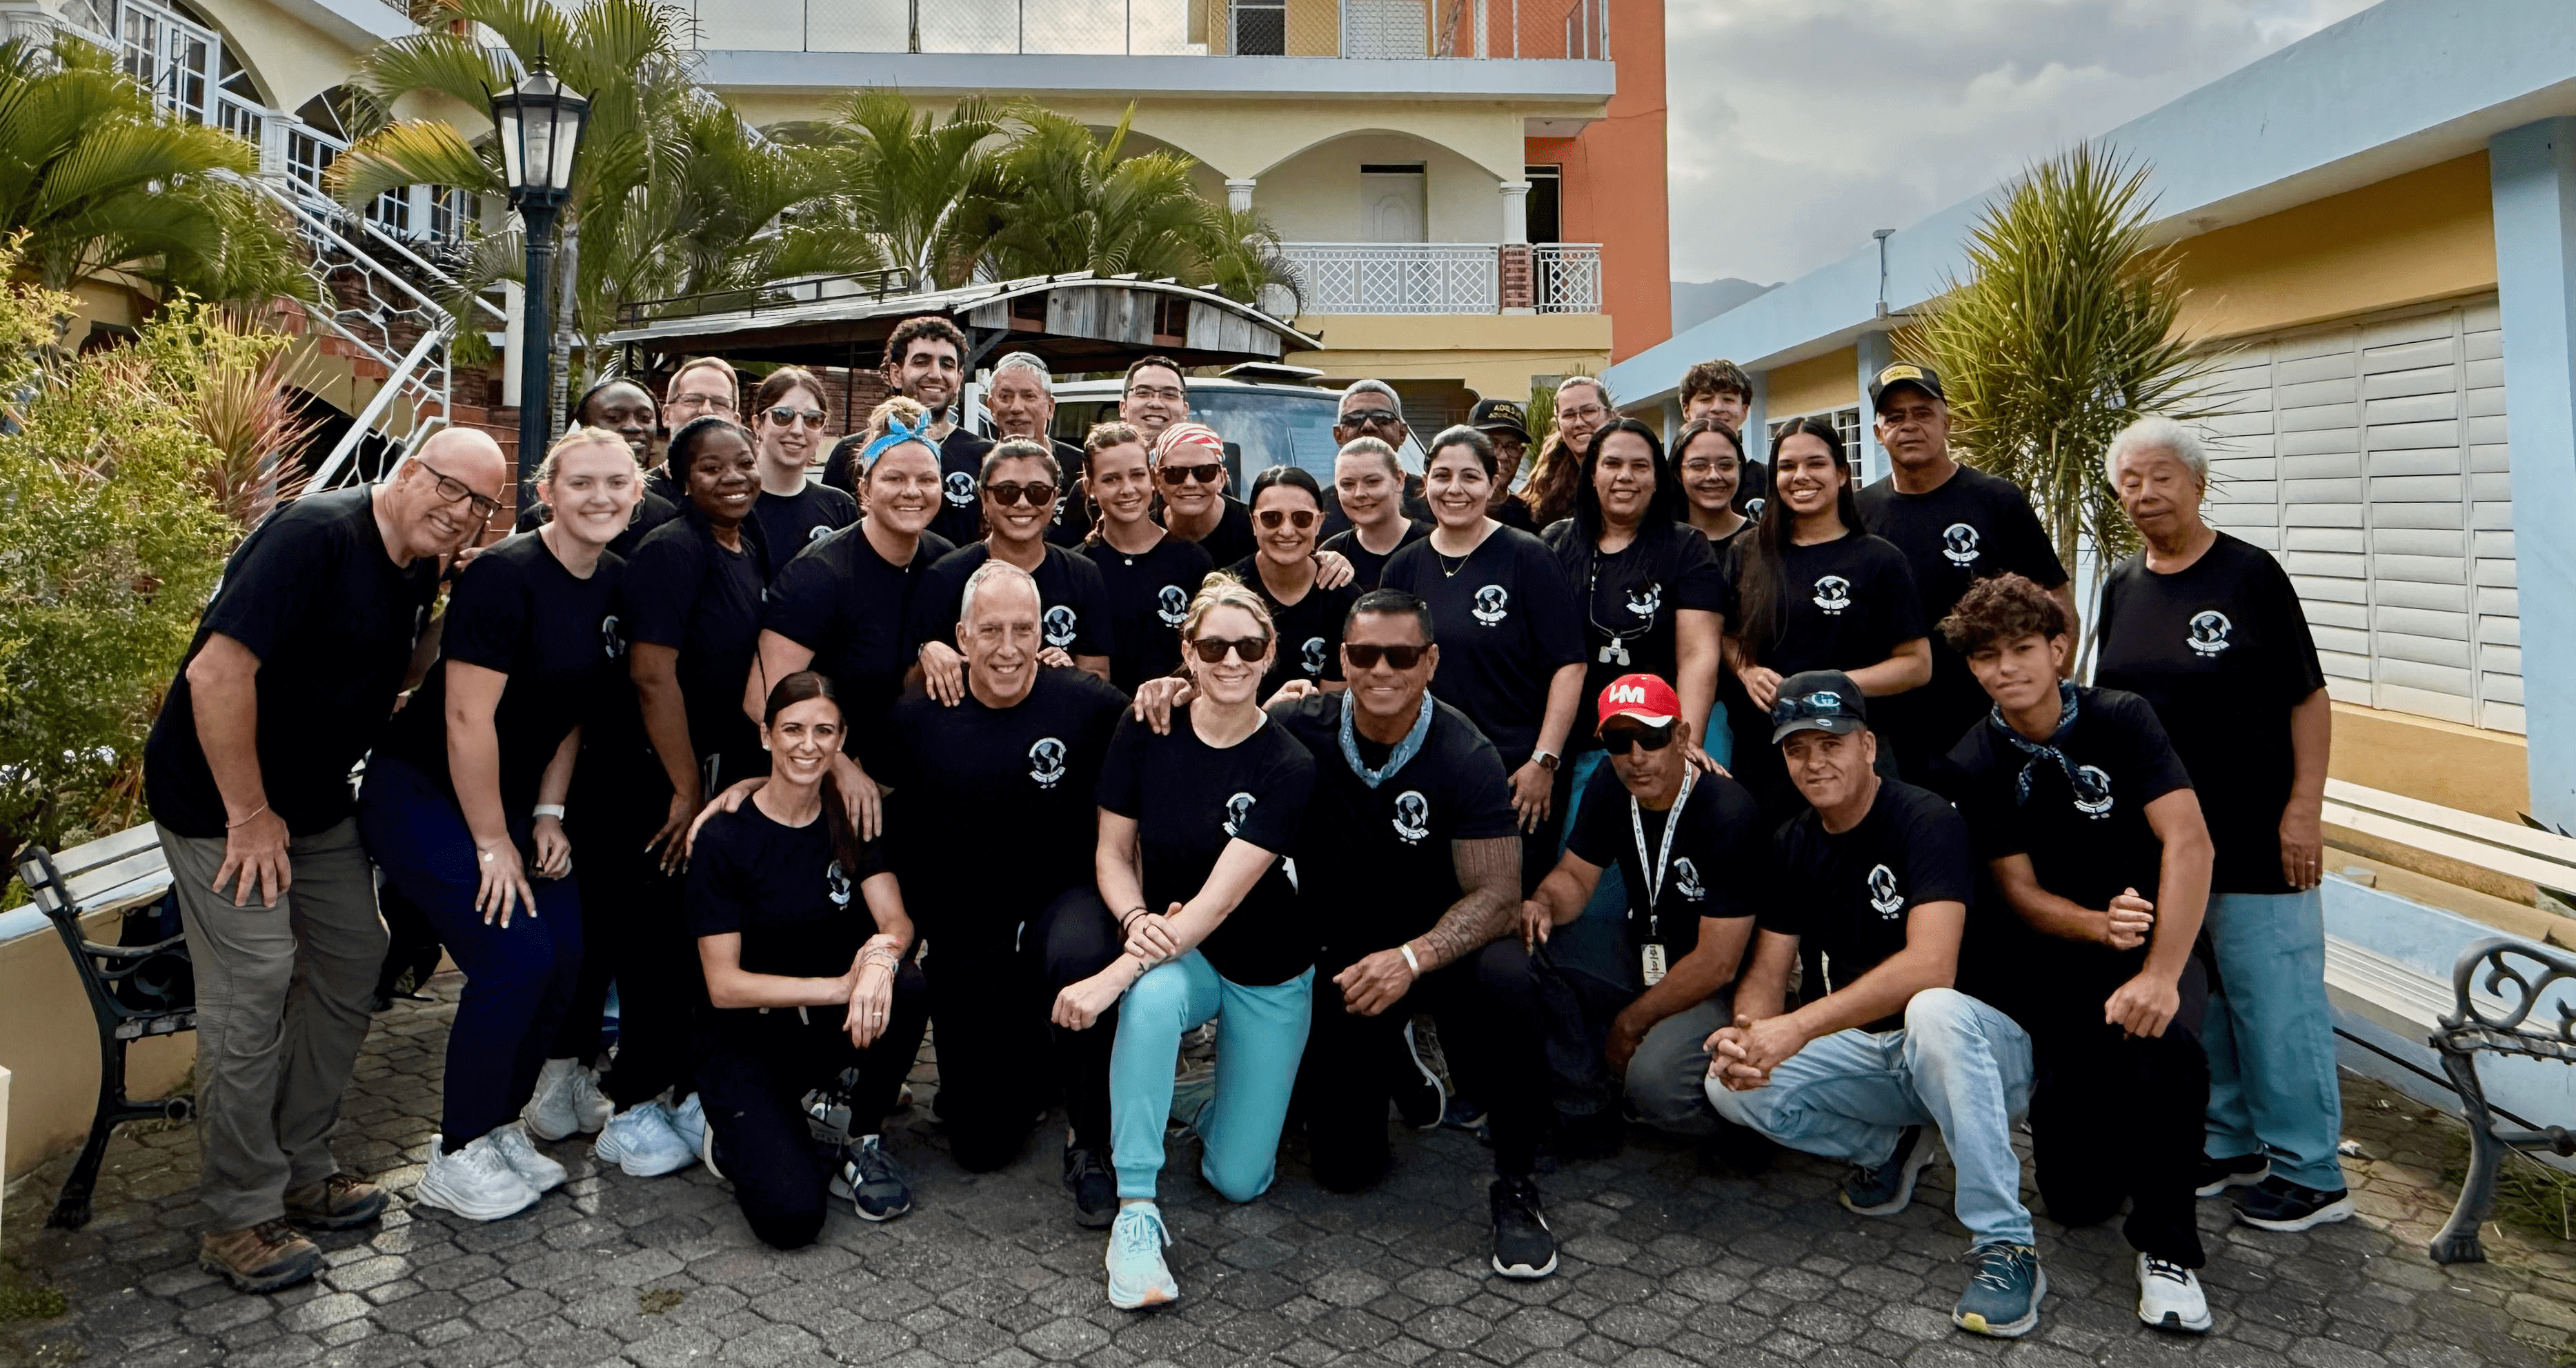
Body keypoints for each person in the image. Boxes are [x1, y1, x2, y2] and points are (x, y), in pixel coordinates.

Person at [143, 428, 506, 1291]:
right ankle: (238, 1216)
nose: (460, 513)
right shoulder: (313, 535)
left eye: (481, 506)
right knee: (255, 981)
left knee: (354, 957)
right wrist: (248, 815)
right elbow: (215, 676)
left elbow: (393, 669)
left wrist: (461, 614)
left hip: (311, 802)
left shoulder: (416, 563)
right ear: (408, 471)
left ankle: (301, 1167)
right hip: (221, 804)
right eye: (449, 489)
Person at [1704, 671, 2044, 1340]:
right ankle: (1891, 1143)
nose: (1813, 763)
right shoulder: (1794, 840)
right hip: (1875, 1053)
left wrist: (1795, 1027)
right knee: (1727, 1085)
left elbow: (1931, 965)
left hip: (1979, 1053)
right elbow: (1768, 972)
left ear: (1866, 745)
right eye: (1797, 749)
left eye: (1830, 744)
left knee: (1931, 1009)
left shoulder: (1926, 819)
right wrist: (1749, 1038)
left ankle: (2007, 1244)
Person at [359, 428, 640, 1222]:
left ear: (635, 494)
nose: (599, 497)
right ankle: (454, 1154)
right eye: (580, 482)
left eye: (615, 483)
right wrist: (492, 843)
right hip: (423, 794)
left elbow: (573, 712)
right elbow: (464, 719)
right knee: (514, 956)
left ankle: (496, 1124)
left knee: (568, 953)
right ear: (546, 492)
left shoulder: (615, 581)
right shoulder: (504, 577)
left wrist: (548, 812)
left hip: (514, 801)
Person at [1937, 573, 2218, 1335]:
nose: (2006, 668)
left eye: (2022, 648)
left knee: (2161, 1045)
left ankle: (2168, 1252)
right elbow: (2021, 892)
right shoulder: (1973, 759)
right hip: (2063, 958)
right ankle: (2138, 1146)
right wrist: (2097, 926)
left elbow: (2189, 842)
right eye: (1986, 656)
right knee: (2074, 1200)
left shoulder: (2122, 718)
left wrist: (2160, 972)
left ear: (2058, 648)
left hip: (2157, 940)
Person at [2095, 415, 2349, 1231]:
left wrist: (2302, 809)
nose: (2144, 493)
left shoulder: (2248, 575)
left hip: (2253, 837)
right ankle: (2230, 1141)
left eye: (2160, 476)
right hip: (2167, 848)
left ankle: (2310, 1170)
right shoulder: (2120, 585)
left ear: (2197, 484)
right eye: (2129, 481)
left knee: (2274, 1005)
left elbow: (2307, 697)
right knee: (2205, 1006)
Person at [1049, 575, 1319, 1311]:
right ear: (1188, 652)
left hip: (1264, 963)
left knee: (1239, 1179)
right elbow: (1111, 852)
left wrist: (1112, 973)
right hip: (1180, 949)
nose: (1231, 660)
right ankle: (1136, 1207)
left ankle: (1190, 1093)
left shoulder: (1288, 763)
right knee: (1152, 999)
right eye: (1214, 646)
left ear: (1270, 654)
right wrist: (1134, 920)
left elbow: (1220, 899)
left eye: (1249, 647)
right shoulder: (1146, 726)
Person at [1267, 591, 1550, 1276]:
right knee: (1343, 1170)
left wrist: (1413, 958)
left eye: (1401, 655)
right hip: (1350, 962)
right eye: (1365, 654)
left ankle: (1517, 1185)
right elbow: (1211, 729)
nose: (1381, 670)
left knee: (1511, 977)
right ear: (1343, 659)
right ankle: (1393, 1060)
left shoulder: (1466, 753)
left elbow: (1498, 897)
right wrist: (1167, 690)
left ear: (1430, 661)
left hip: (1440, 951)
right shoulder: (1298, 726)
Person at [879, 561, 1131, 1222]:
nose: (1010, 648)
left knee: (1083, 955)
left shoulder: (1086, 702)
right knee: (981, 1145)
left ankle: (1090, 1140)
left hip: (1062, 901)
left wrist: (1172, 690)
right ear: (962, 636)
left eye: (1024, 629)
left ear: (1044, 632)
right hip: (973, 926)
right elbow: (872, 800)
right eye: (991, 630)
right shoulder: (920, 715)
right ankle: (1032, 1057)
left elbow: (1165, 739)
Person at [691, 672, 931, 1246]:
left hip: (818, 1029)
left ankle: (859, 1135)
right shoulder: (725, 837)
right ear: (766, 735)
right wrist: (841, 986)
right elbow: (723, 984)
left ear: (841, 739)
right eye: (792, 729)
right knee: (791, 1219)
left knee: (907, 983)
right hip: (745, 1037)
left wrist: (879, 958)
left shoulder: (848, 814)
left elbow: (896, 921)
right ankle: (747, 1132)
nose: (808, 744)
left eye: (824, 730)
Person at [1509, 675, 1767, 1149]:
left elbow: (1718, 962)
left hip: (1714, 984)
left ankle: (1743, 1132)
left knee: (1656, 1084)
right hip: (1643, 953)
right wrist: (1542, 904)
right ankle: (1586, 1106)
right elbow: (1575, 878)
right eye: (1618, 740)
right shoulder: (1611, 782)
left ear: (1682, 737)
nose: (1636, 755)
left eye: (1651, 738)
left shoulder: (1729, 810)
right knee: (1527, 947)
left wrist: (1630, 1024)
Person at [1380, 426, 1585, 891]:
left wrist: (1544, 761)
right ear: (1425, 483)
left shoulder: (1529, 557)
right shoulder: (1404, 567)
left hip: (1514, 775)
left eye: (1470, 476)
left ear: (1494, 484)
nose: (1455, 489)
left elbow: (1569, 665)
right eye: (1442, 476)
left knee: (1506, 903)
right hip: (1426, 768)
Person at [1854, 362, 2072, 784]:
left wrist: (2049, 696)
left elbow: (2056, 602)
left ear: (1947, 422)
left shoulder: (1997, 500)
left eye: (1922, 413)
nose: (1909, 426)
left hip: (1992, 719)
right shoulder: (1859, 511)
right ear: (1879, 433)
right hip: (1895, 731)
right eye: (1895, 418)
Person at [754, 397, 957, 836]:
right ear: (864, 489)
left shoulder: (945, 564)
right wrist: (838, 766)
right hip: (828, 790)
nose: (912, 491)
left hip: (915, 780)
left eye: (926, 479)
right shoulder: (820, 574)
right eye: (894, 478)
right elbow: (762, 697)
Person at [1719, 416, 1930, 821]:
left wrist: (1828, 685)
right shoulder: (1747, 551)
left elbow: (1917, 665)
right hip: (1769, 755)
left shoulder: (1880, 558)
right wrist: (1747, 670)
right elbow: (1724, 637)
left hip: (1852, 751)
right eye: (1787, 466)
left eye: (1816, 463)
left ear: (1842, 474)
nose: (1801, 476)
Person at [1540, 418, 1724, 778]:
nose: (1625, 476)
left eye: (1640, 466)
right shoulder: (1555, 544)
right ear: (1592, 475)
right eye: (1612, 464)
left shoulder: (1687, 547)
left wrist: (1685, 744)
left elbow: (1698, 654)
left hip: (1658, 741)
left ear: (1657, 480)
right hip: (1574, 742)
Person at [912, 437, 1115, 697]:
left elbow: (1098, 674)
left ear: (1055, 498)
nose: (1022, 503)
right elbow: (914, 682)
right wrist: (927, 652)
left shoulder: (1082, 575)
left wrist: (1067, 674)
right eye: (1006, 492)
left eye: (1038, 492)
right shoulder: (946, 576)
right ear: (984, 497)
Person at [1078, 421, 1216, 693]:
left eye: (1137, 475)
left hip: (1177, 711)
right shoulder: (1079, 567)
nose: (1127, 489)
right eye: (1111, 479)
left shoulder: (1192, 562)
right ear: (1090, 486)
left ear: (1153, 479)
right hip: (1104, 713)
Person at [818, 315, 973, 526]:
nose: (936, 374)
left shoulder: (981, 455)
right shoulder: (851, 453)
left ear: (959, 378)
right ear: (896, 374)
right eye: (922, 362)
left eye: (947, 365)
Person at [1227, 465, 1357, 704]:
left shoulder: (1341, 597)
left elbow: (1332, 704)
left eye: (1302, 518)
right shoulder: (1227, 592)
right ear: (1253, 523)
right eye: (1271, 518)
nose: (1287, 531)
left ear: (1319, 523)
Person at [514, 378, 680, 554]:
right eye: (614, 418)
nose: (634, 427)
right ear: (586, 428)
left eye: (645, 418)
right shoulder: (540, 519)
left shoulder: (666, 518)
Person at [746, 366, 858, 571]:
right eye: (782, 415)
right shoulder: (732, 504)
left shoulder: (841, 507)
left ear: (822, 431)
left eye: (812, 419)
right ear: (758, 424)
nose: (798, 430)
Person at [976, 351, 1090, 545]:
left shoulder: (1082, 468)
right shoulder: (971, 464)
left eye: (1029, 396)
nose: (1016, 407)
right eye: (1005, 397)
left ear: (1050, 407)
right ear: (991, 407)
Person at [1318, 379, 1428, 537]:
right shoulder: (1319, 508)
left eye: (1382, 418)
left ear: (1402, 433)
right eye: (1354, 419)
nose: (1368, 426)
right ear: (1338, 435)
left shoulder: (1429, 499)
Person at [1320, 435, 1428, 589]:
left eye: (1372, 482)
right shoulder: (1331, 555)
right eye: (1347, 484)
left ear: (1399, 480)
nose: (1359, 494)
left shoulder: (1434, 545)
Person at [1152, 419, 1257, 568]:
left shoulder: (1256, 529)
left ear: (1222, 479)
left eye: (1204, 471)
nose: (1190, 483)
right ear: (1158, 481)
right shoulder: (1145, 533)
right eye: (1175, 472)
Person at [1679, 359, 1767, 512]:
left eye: (1728, 399)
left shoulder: (1768, 480)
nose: (1718, 408)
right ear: (1686, 410)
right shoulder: (1665, 483)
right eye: (1706, 399)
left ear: (1744, 411)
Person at [1525, 376, 1612, 528]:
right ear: (1559, 424)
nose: (1579, 423)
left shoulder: (1635, 472)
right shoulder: (1547, 490)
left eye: (1589, 411)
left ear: (1609, 415)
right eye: (1569, 415)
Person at [1675, 418, 1752, 553]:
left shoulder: (1766, 542)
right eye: (1699, 465)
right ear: (1678, 473)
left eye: (1726, 465)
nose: (1713, 476)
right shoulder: (1660, 544)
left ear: (1739, 470)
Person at [1470, 397, 1540, 533]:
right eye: (1492, 444)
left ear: (1521, 454)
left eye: (1512, 447)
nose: (1503, 456)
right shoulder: (1443, 509)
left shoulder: (1529, 519)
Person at [1119, 353, 1191, 448]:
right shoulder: (1102, 455)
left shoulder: (1204, 455)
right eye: (1143, 393)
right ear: (1123, 408)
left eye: (1169, 394)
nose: (1156, 404)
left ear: (1185, 411)